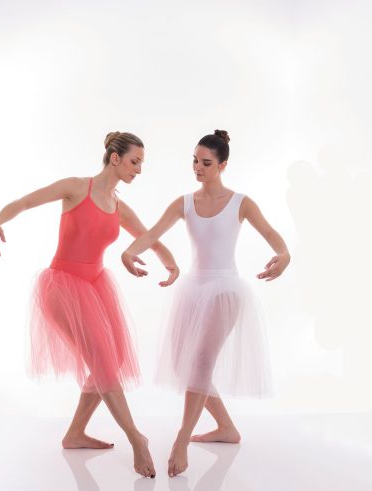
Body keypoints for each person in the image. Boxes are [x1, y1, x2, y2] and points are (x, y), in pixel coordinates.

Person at [0, 131, 179, 479]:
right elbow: (27, 201)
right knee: (103, 361)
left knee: (110, 361)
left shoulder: (120, 207)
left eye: (141, 164)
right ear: (115, 158)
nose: (139, 170)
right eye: (135, 162)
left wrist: (171, 264)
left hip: (95, 287)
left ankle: (75, 433)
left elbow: (148, 237)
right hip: (62, 287)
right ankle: (136, 438)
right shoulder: (76, 188)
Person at [121, 129, 291, 477]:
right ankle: (226, 427)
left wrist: (284, 253)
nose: (198, 168)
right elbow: (151, 234)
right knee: (186, 365)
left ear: (223, 165)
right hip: (193, 289)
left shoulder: (241, 202)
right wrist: (129, 252)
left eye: (206, 163)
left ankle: (182, 439)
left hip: (224, 289)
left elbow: (271, 233)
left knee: (199, 363)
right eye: (195, 161)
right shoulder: (184, 203)